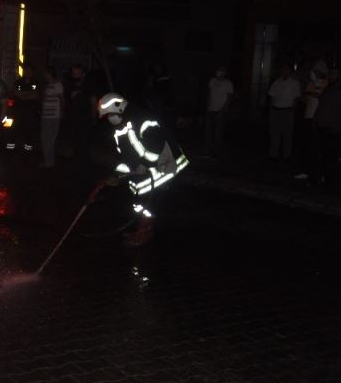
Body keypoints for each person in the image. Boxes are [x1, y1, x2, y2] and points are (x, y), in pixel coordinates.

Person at [92, 92, 189, 247]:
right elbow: (126, 158)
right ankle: (143, 227)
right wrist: (114, 176)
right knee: (136, 189)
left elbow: (156, 151)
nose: (110, 119)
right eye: (107, 116)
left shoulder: (143, 121)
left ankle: (145, 232)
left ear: (120, 108)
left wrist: (143, 165)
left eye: (110, 114)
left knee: (145, 195)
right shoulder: (120, 130)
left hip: (168, 164)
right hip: (149, 167)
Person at [310, 67, 341, 186]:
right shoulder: (327, 89)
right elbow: (321, 106)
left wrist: (340, 126)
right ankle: (317, 178)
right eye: (330, 74)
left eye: (334, 74)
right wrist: (315, 120)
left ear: (340, 76)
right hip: (321, 126)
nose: (331, 76)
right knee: (318, 154)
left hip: (333, 129)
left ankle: (329, 181)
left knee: (330, 156)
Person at [294, 60, 328, 180]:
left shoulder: (326, 83)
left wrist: (312, 93)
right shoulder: (311, 83)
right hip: (308, 116)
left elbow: (323, 97)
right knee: (306, 145)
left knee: (317, 147)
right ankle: (306, 170)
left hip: (319, 119)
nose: (315, 73)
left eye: (317, 71)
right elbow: (304, 98)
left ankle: (319, 173)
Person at [267, 64, 301, 161]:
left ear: (290, 71)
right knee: (274, 133)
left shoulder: (294, 83)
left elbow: (296, 98)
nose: (284, 72)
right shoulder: (276, 82)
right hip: (275, 110)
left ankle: (287, 155)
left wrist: (293, 110)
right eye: (283, 69)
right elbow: (271, 96)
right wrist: (271, 110)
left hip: (287, 110)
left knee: (287, 134)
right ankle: (273, 154)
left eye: (286, 70)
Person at [65, 64, 96, 166]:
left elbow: (93, 103)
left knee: (84, 143)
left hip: (85, 119)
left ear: (83, 74)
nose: (75, 75)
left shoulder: (88, 86)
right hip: (73, 119)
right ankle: (77, 163)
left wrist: (93, 117)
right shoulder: (70, 86)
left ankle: (85, 164)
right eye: (74, 73)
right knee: (75, 143)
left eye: (78, 73)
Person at [203, 67, 233, 158]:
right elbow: (209, 92)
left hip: (220, 111)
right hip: (210, 109)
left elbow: (229, 98)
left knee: (218, 133)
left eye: (220, 71)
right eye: (218, 71)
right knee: (208, 131)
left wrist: (223, 109)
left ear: (224, 73)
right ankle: (208, 150)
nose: (218, 72)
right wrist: (208, 104)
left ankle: (217, 152)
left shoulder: (228, 83)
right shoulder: (212, 81)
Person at [10, 65, 39, 154]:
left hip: (31, 114)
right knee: (14, 132)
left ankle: (27, 153)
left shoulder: (36, 82)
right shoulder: (18, 82)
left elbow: (36, 95)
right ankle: (11, 153)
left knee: (29, 135)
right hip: (18, 113)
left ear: (32, 72)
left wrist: (22, 95)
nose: (27, 73)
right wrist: (29, 94)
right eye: (26, 71)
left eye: (29, 71)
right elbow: (15, 93)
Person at [40, 66, 64, 169]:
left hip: (53, 116)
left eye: (45, 73)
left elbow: (62, 99)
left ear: (49, 74)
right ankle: (48, 161)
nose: (44, 76)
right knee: (45, 139)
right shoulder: (47, 86)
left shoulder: (57, 85)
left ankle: (49, 162)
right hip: (45, 115)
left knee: (48, 139)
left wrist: (62, 112)